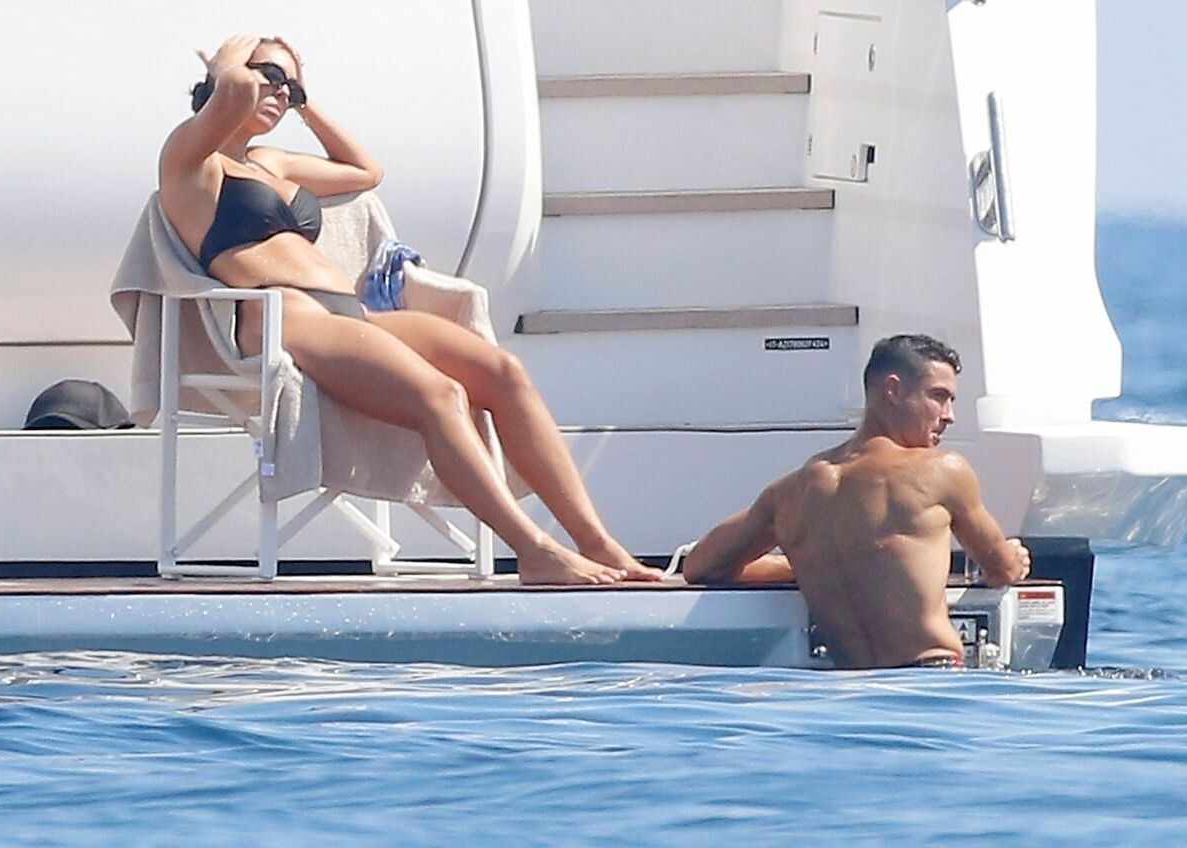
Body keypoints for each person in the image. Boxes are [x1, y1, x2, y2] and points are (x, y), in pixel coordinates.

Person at [158, 34, 661, 585]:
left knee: (503, 372)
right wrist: (228, 64)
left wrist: (302, 100)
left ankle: (599, 543)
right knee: (440, 395)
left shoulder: (269, 161)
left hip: (345, 313)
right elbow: (233, 91)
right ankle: (534, 550)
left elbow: (365, 170)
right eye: (270, 77)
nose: (280, 92)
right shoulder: (190, 161)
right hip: (287, 316)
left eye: (291, 87)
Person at [682, 334, 1032, 668]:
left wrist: (798, 566)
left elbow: (701, 567)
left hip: (850, 689)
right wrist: (1013, 556)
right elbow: (1003, 570)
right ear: (894, 390)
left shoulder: (791, 492)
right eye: (939, 396)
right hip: (931, 677)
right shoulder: (943, 470)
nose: (949, 415)